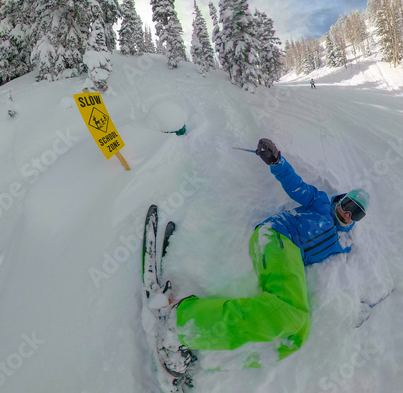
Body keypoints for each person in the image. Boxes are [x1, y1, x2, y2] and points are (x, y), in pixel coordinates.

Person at [151, 138, 370, 371]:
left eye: (355, 212)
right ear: (342, 198)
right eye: (347, 204)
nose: (346, 212)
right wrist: (277, 162)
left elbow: (351, 277)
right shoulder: (321, 203)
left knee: (297, 334)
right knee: (290, 312)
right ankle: (181, 321)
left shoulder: (342, 243)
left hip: (291, 261)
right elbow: (296, 186)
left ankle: (210, 359)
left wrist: (355, 308)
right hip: (278, 237)